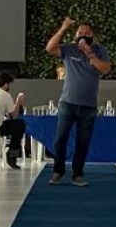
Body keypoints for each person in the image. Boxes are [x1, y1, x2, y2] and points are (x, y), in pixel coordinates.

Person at [46, 17, 111, 187]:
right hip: (68, 103)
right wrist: (62, 28)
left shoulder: (99, 50)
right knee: (60, 139)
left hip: (88, 106)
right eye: (80, 32)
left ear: (92, 36)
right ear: (75, 35)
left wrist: (89, 52)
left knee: (83, 141)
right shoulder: (69, 50)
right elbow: (50, 48)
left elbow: (104, 68)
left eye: (87, 33)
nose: (83, 35)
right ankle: (58, 171)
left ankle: (77, 174)